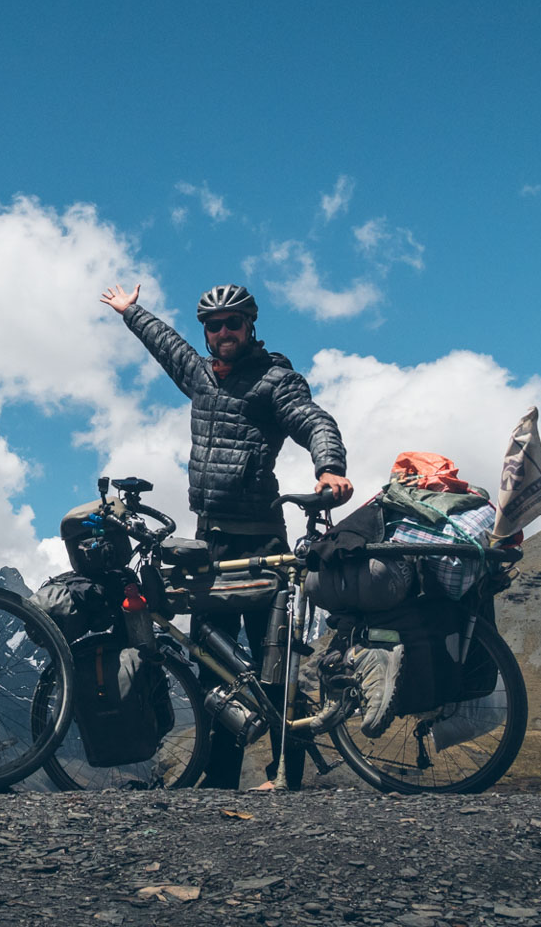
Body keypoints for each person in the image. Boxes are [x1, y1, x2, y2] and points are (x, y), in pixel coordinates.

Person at [100, 281, 357, 791]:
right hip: (208, 543)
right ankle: (218, 781)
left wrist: (330, 467)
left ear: (249, 325)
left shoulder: (275, 380)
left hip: (262, 541)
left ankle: (287, 775)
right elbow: (167, 345)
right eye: (213, 326)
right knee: (212, 665)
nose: (223, 333)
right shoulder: (200, 377)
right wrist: (132, 312)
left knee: (274, 662)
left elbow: (314, 420)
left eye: (232, 324)